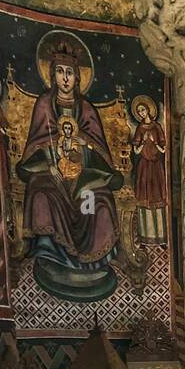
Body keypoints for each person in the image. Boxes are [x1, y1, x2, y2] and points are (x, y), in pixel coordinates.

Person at [16, 37, 123, 299]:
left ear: (77, 77)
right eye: (60, 72)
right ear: (52, 75)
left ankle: (91, 264)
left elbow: (98, 147)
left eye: (70, 73)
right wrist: (50, 164)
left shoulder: (85, 108)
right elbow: (36, 143)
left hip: (83, 177)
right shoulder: (44, 105)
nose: (65, 79)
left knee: (96, 201)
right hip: (51, 174)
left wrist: (84, 144)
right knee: (41, 194)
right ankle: (52, 259)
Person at [129, 95, 167, 244]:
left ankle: (161, 237)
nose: (142, 113)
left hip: (156, 166)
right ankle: (145, 237)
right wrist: (142, 142)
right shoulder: (139, 128)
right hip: (144, 167)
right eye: (139, 112)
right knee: (144, 200)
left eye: (143, 110)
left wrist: (154, 142)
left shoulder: (157, 127)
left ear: (148, 110)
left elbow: (163, 150)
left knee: (158, 199)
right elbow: (136, 151)